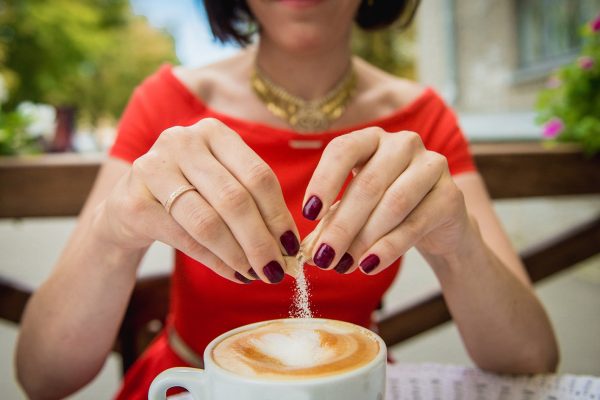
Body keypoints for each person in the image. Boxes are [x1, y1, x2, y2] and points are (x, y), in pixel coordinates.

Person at [16, 0, 559, 398]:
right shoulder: (167, 103)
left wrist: (458, 246)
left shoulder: (423, 119)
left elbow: (531, 360)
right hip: (191, 385)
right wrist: (114, 233)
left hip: (353, 386)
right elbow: (42, 375)